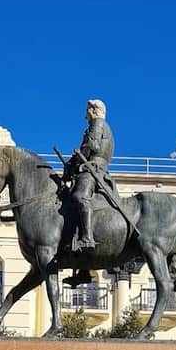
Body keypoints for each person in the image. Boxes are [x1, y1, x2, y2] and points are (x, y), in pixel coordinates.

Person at [64, 99, 114, 253]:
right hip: (92, 166)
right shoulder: (100, 125)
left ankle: (87, 238)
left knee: (80, 196)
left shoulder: (98, 123)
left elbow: (91, 146)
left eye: (87, 111)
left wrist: (74, 162)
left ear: (93, 110)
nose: (85, 115)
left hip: (92, 168)